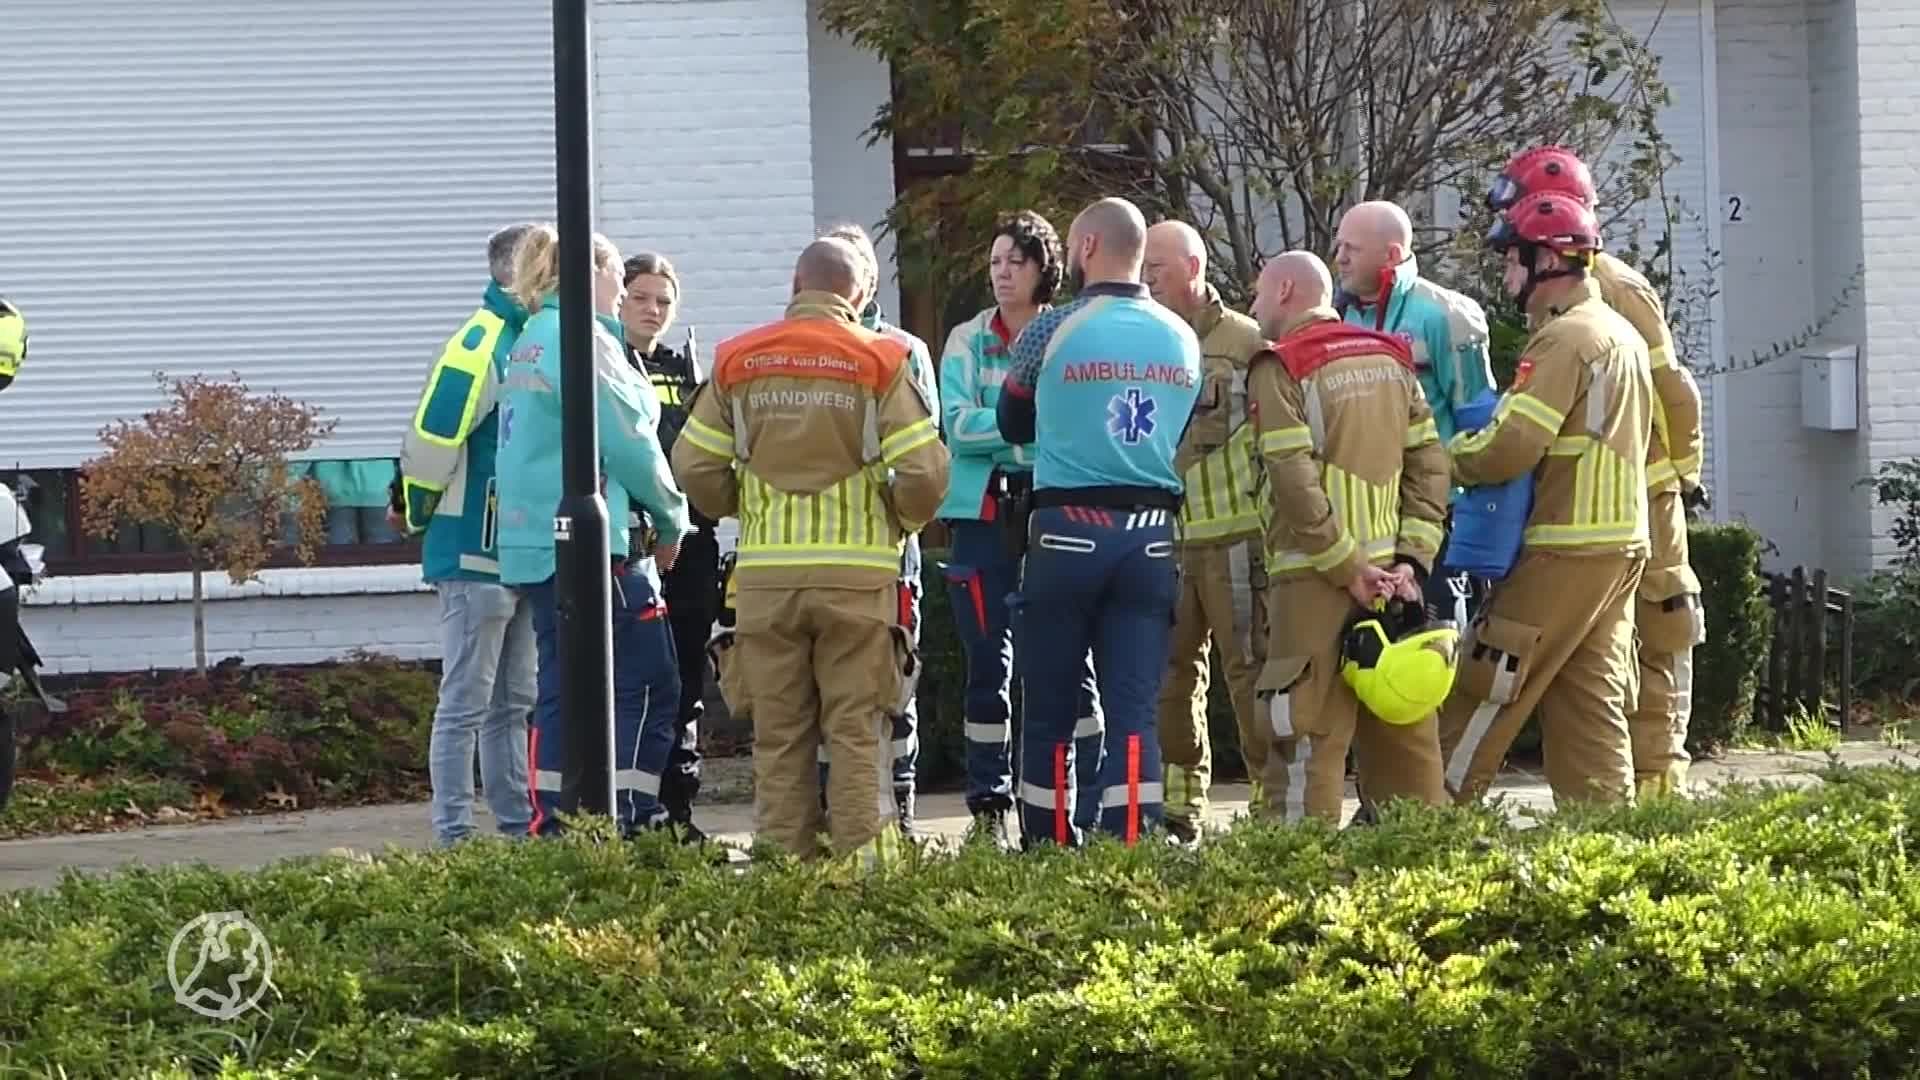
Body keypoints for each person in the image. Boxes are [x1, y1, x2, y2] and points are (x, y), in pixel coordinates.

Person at [670, 237, 949, 865]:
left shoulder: (738, 360)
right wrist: (897, 519)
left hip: (766, 582)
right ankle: (861, 885)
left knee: (780, 738)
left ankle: (782, 880)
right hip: (858, 583)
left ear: (797, 285)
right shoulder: (881, 359)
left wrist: (740, 504)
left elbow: (691, 462)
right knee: (855, 733)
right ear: (859, 294)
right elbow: (927, 474)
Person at [1484, 145, 1710, 798]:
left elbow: (1675, 391)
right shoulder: (1554, 290)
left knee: (1656, 644)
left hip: (1642, 493)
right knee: (1595, 672)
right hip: (1596, 496)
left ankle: (1659, 801)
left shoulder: (1612, 286)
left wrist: (1679, 477)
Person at [1436, 192, 1655, 807]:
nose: (1507, 275)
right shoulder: (1622, 333)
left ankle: (1424, 820)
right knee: (1589, 701)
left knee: (1487, 682)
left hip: (1562, 549)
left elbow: (1513, 446)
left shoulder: (1563, 341)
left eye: (1512, 261)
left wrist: (1445, 459)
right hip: (1619, 548)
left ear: (1550, 262)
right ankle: (1607, 843)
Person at [996, 196, 1202, 847]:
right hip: (1150, 536)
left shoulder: (1049, 330)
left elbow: (1011, 422)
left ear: (1085, 247)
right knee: (1134, 708)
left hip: (1064, 531)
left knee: (1052, 707)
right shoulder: (1182, 336)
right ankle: (1130, 841)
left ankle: (1049, 844)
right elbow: (1180, 425)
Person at [493, 225, 691, 838]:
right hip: (598, 550)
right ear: (593, 275)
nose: (623, 286)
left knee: (560, 689)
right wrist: (672, 515)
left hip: (534, 542)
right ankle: (626, 819)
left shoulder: (530, 339)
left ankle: (555, 821)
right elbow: (630, 440)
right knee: (649, 681)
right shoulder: (585, 342)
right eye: (615, 276)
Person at [1242, 250, 1453, 823]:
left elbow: (1294, 481)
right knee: (1405, 736)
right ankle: (1421, 871)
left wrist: (1346, 567)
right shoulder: (1391, 356)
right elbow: (1431, 463)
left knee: (1306, 735)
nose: (1254, 306)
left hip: (1315, 581)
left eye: (1259, 293)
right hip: (1396, 586)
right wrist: (1412, 561)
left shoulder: (1280, 364)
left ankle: (1296, 878)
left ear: (1286, 290)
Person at [935, 210, 1103, 845]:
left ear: (1044, 269)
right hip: (980, 519)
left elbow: (1072, 427)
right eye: (995, 263)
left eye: (1016, 262)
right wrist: (1018, 431)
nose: (1002, 274)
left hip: (1053, 512)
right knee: (987, 668)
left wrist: (999, 429)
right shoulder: (967, 340)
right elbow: (956, 425)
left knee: (1070, 665)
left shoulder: (1066, 334)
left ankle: (1083, 808)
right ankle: (987, 809)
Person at [396, 222, 537, 847]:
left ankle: (513, 828)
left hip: (513, 549)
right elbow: (431, 442)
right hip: (475, 549)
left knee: (512, 702)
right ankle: (453, 836)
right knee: (466, 703)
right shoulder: (481, 342)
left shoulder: (522, 337)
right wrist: (423, 513)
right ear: (523, 269)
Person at [1139, 219, 1270, 840]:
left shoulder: (1247, 342)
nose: (1146, 281)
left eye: (1156, 269)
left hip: (1239, 540)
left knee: (1252, 674)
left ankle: (1271, 800)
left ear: (1192, 267)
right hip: (1167, 542)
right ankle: (1182, 804)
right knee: (1170, 677)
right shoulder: (1147, 342)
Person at [815, 222, 935, 837]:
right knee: (820, 691)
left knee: (894, 680)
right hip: (824, 550)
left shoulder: (904, 350)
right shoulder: (800, 347)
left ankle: (900, 811)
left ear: (869, 279)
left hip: (890, 551)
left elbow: (921, 451)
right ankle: (831, 811)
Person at [1333, 200, 1497, 626]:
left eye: (1351, 247)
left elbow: (1478, 424)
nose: (1340, 258)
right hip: (1359, 527)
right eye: (1338, 246)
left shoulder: (1448, 315)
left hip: (1436, 522)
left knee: (1436, 653)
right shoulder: (1334, 317)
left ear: (1390, 254)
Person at [617, 251, 716, 837]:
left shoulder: (686, 371)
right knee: (639, 684)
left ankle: (679, 812)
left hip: (691, 545)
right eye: (642, 298)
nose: (654, 310)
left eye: (664, 301)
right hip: (638, 547)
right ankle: (634, 810)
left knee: (686, 686)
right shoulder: (607, 367)